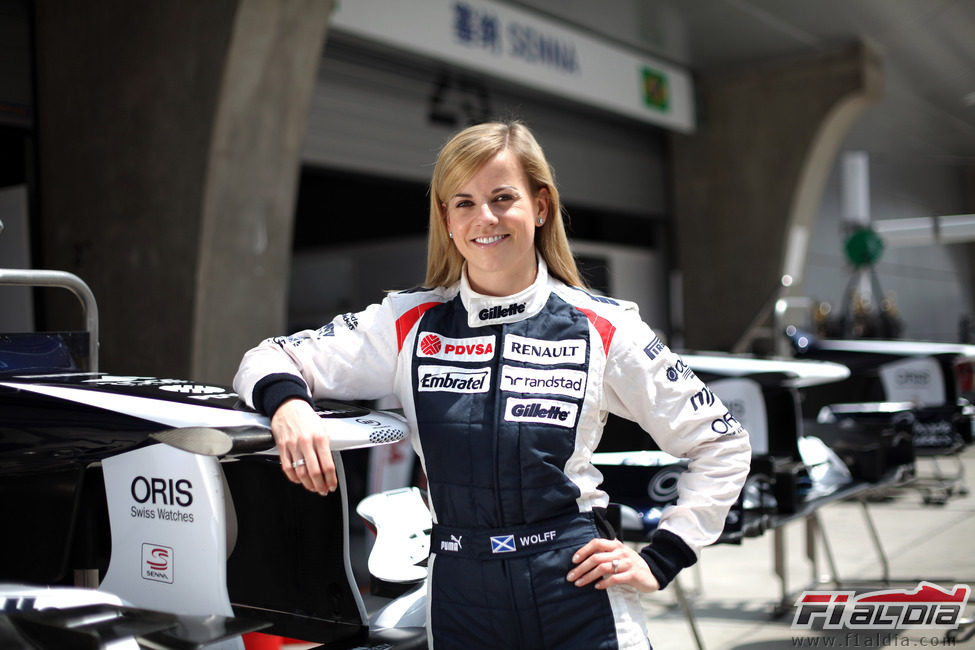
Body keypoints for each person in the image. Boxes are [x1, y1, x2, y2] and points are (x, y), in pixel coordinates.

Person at [233, 121, 751, 649]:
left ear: (541, 206)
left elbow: (722, 440)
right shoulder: (407, 322)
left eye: (503, 198)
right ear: (446, 218)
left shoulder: (604, 325)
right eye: (464, 202)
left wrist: (661, 557)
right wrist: (291, 405)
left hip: (575, 588)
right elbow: (267, 357)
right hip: (462, 594)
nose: (485, 217)